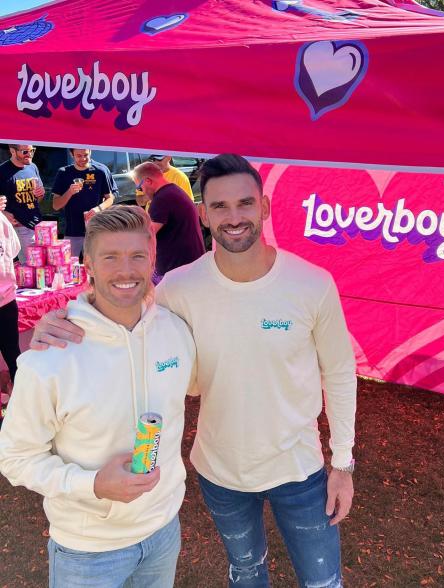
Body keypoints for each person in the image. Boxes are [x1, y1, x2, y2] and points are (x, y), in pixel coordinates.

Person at [31, 154, 357, 587]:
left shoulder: (311, 283)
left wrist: (343, 463)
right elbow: (123, 319)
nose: (234, 217)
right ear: (203, 214)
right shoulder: (180, 287)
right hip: (221, 472)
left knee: (323, 581)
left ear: (265, 208)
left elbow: (338, 372)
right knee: (245, 572)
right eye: (219, 207)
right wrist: (61, 320)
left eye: (245, 204)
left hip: (300, 470)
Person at [0, 206, 196, 587]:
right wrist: (91, 485)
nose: (126, 271)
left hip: (162, 531)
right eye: (110, 257)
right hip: (88, 549)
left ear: (152, 258)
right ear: (87, 263)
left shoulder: (176, 332)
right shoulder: (51, 357)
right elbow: (14, 458)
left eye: (137, 256)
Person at [133, 162, 205, 284]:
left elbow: (145, 236)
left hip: (177, 270)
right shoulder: (173, 191)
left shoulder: (162, 199)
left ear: (148, 181)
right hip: (189, 266)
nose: (142, 192)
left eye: (140, 187)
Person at [52, 148, 115, 257]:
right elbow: (55, 206)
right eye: (79, 155)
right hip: (73, 231)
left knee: (96, 266)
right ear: (72, 154)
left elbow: (110, 198)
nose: (83, 158)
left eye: (86, 155)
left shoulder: (99, 171)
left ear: (90, 152)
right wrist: (69, 192)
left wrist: (98, 209)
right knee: (71, 267)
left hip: (96, 229)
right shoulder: (64, 172)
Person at [0, 144, 46, 263]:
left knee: (42, 267)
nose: (29, 154)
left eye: (32, 150)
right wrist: (3, 213)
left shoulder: (32, 167)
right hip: (20, 227)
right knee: (32, 267)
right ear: (12, 151)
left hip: (38, 224)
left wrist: (40, 194)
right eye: (25, 152)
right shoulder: (2, 171)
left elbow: (39, 198)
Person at [0, 196, 21, 427]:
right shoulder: (2, 219)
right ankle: (20, 407)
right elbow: (14, 249)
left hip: (6, 299)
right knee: (13, 353)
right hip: (6, 297)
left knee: (13, 355)